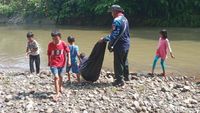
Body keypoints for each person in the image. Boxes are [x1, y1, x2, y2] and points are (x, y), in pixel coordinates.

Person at [102, 5, 130, 86]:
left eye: (112, 12)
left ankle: (119, 80)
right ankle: (126, 77)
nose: (111, 14)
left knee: (118, 62)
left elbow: (114, 34)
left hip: (120, 45)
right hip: (127, 43)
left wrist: (105, 39)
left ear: (115, 11)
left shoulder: (116, 20)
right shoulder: (125, 19)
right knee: (124, 60)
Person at [47, 31, 71, 101]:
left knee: (61, 76)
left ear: (60, 37)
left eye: (56, 38)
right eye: (53, 39)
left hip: (62, 63)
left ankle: (60, 87)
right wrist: (49, 61)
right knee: (56, 77)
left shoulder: (63, 43)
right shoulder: (50, 44)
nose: (55, 40)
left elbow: (68, 52)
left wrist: (69, 60)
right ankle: (57, 93)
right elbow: (48, 53)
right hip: (53, 63)